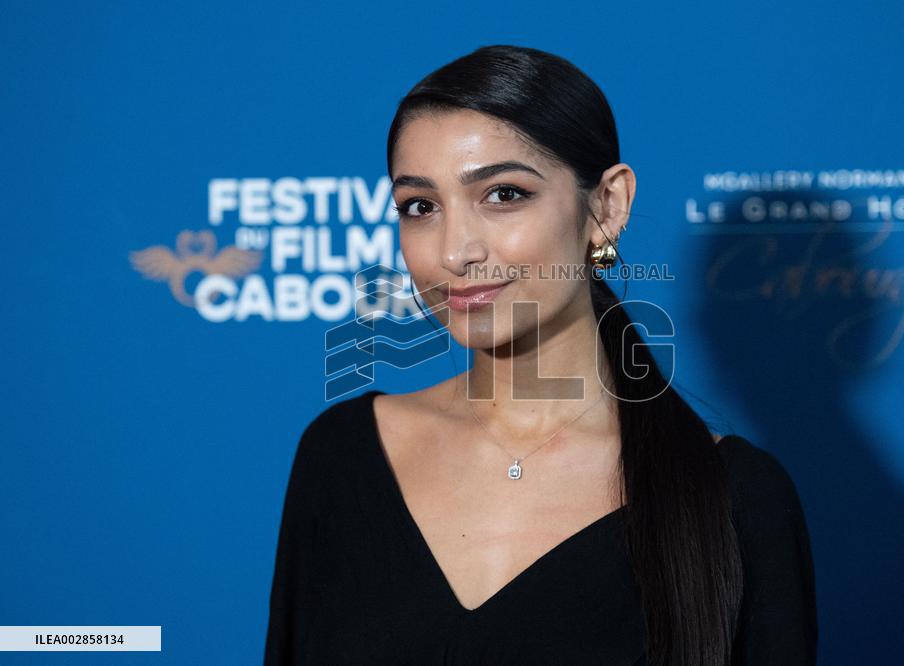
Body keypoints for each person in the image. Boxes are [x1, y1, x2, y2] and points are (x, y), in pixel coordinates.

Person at [264, 44, 817, 665]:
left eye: (504, 194)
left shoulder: (737, 500)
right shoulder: (341, 456)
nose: (455, 252)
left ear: (606, 206)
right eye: (421, 206)